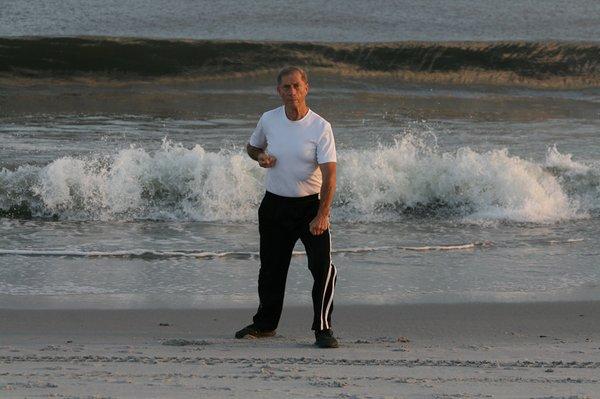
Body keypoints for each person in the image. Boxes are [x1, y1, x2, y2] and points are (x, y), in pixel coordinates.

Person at [235, 66, 339, 348]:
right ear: (278, 91)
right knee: (271, 268)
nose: (291, 92)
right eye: (286, 87)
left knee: (322, 268)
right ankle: (265, 324)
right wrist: (260, 157)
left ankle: (323, 329)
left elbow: (330, 175)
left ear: (306, 88)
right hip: (274, 205)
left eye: (296, 86)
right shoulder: (269, 119)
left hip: (309, 208)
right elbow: (252, 147)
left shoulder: (320, 127)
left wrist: (322, 214)